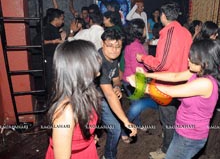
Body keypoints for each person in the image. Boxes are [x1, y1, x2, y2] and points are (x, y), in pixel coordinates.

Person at [128, 39, 220, 159]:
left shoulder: (206, 83)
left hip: (190, 137)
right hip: (183, 130)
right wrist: (146, 75)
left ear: (204, 61)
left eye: (192, 58)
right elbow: (174, 76)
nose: (187, 60)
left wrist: (141, 85)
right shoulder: (199, 72)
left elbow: (170, 92)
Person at [136, 2, 192, 159]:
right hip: (182, 81)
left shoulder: (168, 33)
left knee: (167, 117)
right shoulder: (185, 32)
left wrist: (143, 58)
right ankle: (172, 136)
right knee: (175, 115)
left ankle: (167, 150)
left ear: (163, 16)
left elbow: (161, 64)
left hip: (168, 83)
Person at [45, 40, 102, 159]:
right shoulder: (65, 113)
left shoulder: (86, 92)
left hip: (87, 150)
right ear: (80, 70)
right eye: (93, 65)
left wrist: (90, 138)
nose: (98, 73)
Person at [98, 29, 137, 159]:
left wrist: (117, 87)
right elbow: (109, 95)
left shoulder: (113, 57)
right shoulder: (99, 61)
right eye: (110, 46)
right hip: (91, 99)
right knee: (114, 129)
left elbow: (116, 79)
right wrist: (126, 121)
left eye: (118, 46)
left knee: (114, 126)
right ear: (102, 44)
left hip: (103, 95)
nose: (114, 50)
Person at [121, 18, 158, 143]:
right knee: (136, 106)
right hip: (134, 80)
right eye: (144, 28)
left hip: (131, 79)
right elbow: (137, 68)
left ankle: (137, 123)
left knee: (135, 104)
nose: (145, 31)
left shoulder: (132, 43)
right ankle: (124, 129)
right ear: (139, 31)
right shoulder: (136, 46)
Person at [43, 9, 65, 99]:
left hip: (55, 57)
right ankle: (51, 98)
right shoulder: (47, 28)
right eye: (62, 19)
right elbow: (40, 41)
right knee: (51, 79)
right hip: (50, 57)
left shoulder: (55, 29)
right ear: (56, 19)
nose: (63, 21)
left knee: (56, 78)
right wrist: (54, 41)